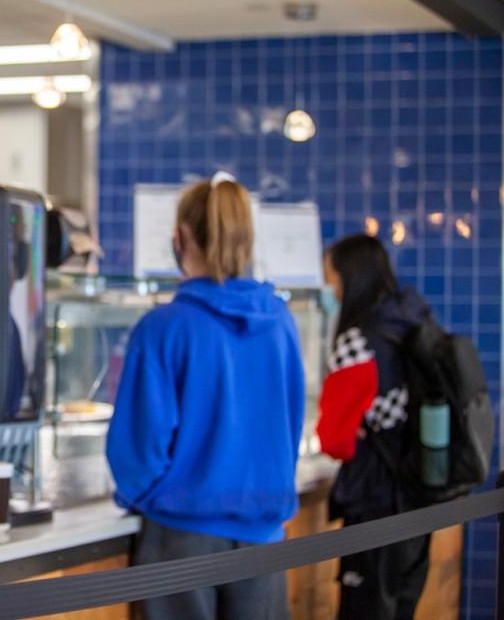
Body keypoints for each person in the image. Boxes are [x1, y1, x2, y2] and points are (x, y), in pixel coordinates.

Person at [106, 173, 305, 620]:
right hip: (264, 536)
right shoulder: (280, 322)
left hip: (181, 536)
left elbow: (139, 449)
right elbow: (289, 424)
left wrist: (152, 495)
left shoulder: (164, 328)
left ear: (181, 237)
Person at [317, 234, 432, 620]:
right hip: (416, 494)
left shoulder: (358, 341)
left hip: (376, 500)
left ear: (351, 278)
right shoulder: (410, 321)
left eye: (330, 278)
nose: (328, 289)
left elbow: (334, 439)